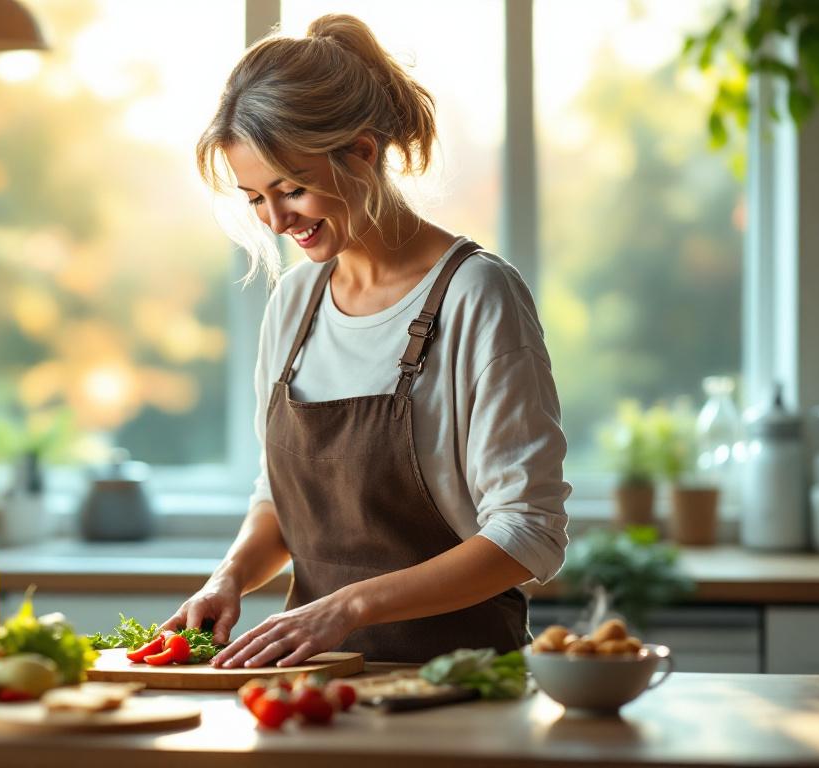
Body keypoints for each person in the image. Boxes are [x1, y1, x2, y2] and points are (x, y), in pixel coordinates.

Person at [161, 14, 570, 667]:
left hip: (459, 690)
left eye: (291, 189)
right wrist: (231, 576)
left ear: (361, 150)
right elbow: (278, 496)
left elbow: (529, 534)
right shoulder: (294, 304)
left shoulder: (478, 296)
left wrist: (348, 605)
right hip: (314, 688)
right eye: (255, 198)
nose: (274, 221)